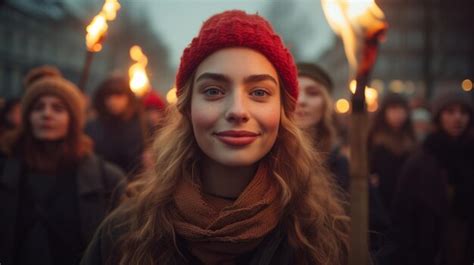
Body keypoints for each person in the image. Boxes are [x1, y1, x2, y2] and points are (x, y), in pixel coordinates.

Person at [81, 10, 349, 265]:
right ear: (187, 108)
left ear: (283, 112)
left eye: (259, 92)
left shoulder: (321, 235)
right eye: (213, 91)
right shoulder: (125, 233)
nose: (237, 111)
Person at [0, 68, 126, 265]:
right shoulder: (4, 169)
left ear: (73, 120)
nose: (46, 114)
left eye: (58, 108)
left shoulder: (108, 180)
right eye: (38, 107)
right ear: (27, 117)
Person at [391, 90, 474, 265]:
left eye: (463, 112)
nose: (457, 118)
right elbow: (403, 216)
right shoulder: (421, 160)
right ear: (439, 117)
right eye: (450, 112)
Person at [295, 62, 349, 190]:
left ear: (326, 103)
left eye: (313, 93)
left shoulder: (341, 164)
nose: (301, 100)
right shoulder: (264, 161)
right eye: (293, 91)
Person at [86, 75, 148, 176]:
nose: (113, 101)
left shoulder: (142, 126)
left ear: (128, 98)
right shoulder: (91, 127)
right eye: (109, 96)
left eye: (118, 96)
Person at [367, 93, 416, 214]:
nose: (398, 114)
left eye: (402, 109)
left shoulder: (411, 140)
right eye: (393, 109)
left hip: (408, 200)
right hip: (382, 200)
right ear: (384, 112)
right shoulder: (374, 139)